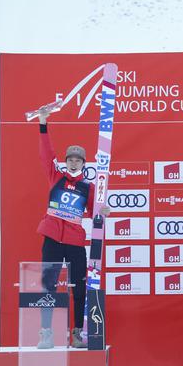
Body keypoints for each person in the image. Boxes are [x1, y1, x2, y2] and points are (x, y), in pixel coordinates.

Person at [36, 110, 109, 348]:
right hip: (52, 239)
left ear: (83, 164)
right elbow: (46, 153)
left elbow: (95, 210)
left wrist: (103, 211)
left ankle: (77, 332)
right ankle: (46, 333)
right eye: (70, 159)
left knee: (78, 286)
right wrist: (43, 123)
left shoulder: (87, 187)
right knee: (48, 285)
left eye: (78, 160)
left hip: (76, 242)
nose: (74, 162)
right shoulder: (55, 177)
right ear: (65, 161)